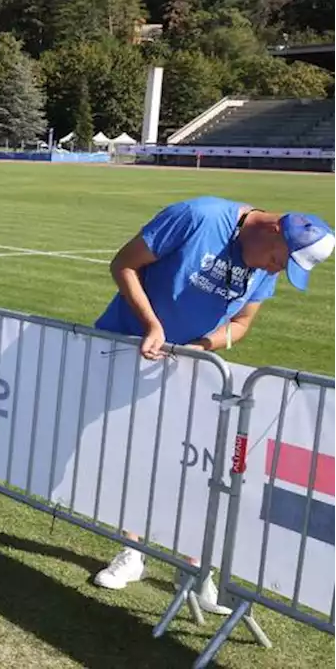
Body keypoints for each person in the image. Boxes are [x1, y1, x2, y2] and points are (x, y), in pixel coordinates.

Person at [91, 196, 335, 612]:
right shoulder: (198, 216)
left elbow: (240, 325)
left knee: (189, 464)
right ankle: (130, 552)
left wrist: (200, 348)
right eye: (278, 260)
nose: (273, 270)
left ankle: (192, 567)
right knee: (129, 452)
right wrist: (153, 326)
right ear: (273, 229)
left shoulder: (264, 264)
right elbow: (123, 264)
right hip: (128, 351)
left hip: (190, 368)